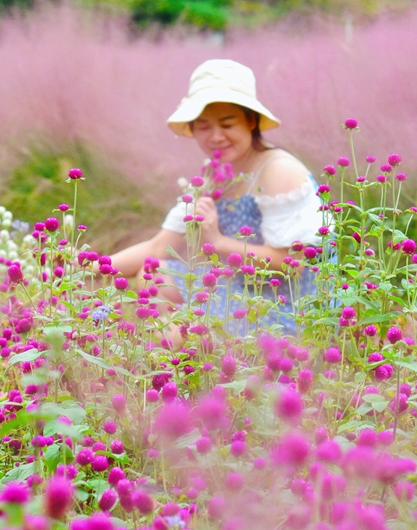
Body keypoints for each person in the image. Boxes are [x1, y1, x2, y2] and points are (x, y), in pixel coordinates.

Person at [109, 59, 325, 333]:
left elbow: (292, 264)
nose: (216, 137)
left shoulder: (278, 171)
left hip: (283, 307)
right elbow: (157, 247)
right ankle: (175, 354)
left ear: (250, 121)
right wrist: (86, 266)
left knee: (177, 334)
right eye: (203, 127)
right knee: (153, 273)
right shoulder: (215, 175)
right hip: (238, 290)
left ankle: (176, 352)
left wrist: (218, 243)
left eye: (227, 124)